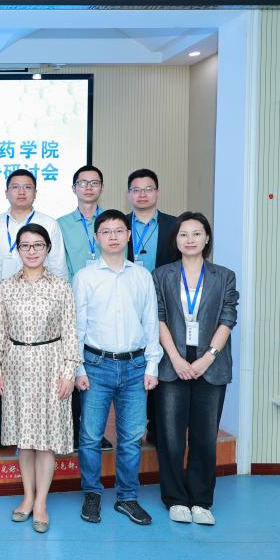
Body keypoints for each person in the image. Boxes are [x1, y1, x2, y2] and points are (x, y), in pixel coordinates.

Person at [73, 209, 163, 527]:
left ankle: (127, 497)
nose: (113, 236)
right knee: (90, 435)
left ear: (128, 236)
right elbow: (77, 327)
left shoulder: (141, 276)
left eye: (119, 231)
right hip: (96, 364)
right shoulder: (85, 277)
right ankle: (92, 493)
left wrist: (152, 365)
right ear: (96, 237)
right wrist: (78, 369)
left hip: (136, 366)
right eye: (106, 231)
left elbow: (151, 322)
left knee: (131, 437)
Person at [0, 223, 79, 534]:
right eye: (25, 245)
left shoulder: (61, 287)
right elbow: (0, 331)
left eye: (38, 245)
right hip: (16, 366)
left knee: (45, 440)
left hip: (50, 365)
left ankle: (41, 502)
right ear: (17, 250)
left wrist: (68, 372)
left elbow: (70, 332)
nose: (31, 251)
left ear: (48, 249)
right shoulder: (6, 287)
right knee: (25, 440)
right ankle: (27, 497)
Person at [152, 212, 238, 526]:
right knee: (171, 437)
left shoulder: (224, 276)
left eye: (196, 233)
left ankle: (201, 501)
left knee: (204, 437)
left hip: (210, 366)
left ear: (206, 238)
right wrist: (175, 358)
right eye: (183, 234)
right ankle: (175, 499)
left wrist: (208, 358)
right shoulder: (161, 275)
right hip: (172, 363)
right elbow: (158, 318)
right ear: (175, 240)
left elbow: (228, 318)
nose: (190, 240)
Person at [0, 169, 67, 450]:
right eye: (15, 187)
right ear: (6, 192)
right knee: (6, 365)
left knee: (41, 372)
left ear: (35, 192)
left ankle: (41, 428)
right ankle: (6, 423)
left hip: (42, 303)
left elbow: (58, 266)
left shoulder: (49, 224)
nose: (21, 192)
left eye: (27, 187)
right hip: (3, 301)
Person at [57, 165, 111, 451]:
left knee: (98, 369)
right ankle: (72, 429)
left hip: (106, 304)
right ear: (73, 188)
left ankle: (94, 431)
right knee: (72, 363)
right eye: (83, 182)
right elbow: (57, 264)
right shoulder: (60, 224)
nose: (88, 187)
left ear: (101, 187)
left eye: (94, 182)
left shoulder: (112, 222)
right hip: (72, 304)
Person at [125, 168, 178, 445]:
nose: (142, 194)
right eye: (136, 189)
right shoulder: (118, 224)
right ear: (128, 194)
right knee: (132, 363)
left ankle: (157, 425)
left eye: (148, 189)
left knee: (162, 361)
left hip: (165, 303)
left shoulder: (175, 226)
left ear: (157, 192)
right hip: (126, 304)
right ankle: (132, 427)